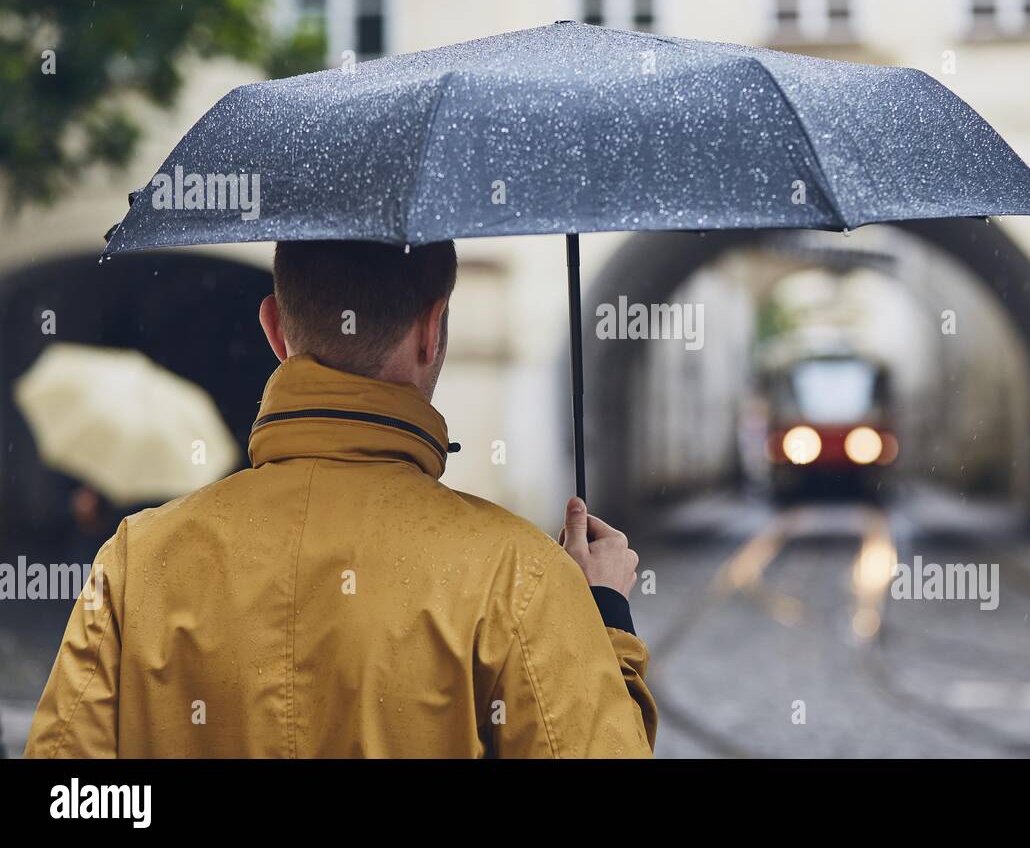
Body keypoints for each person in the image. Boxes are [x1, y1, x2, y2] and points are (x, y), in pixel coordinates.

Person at [25, 240, 655, 757]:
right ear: (432, 332)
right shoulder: (519, 573)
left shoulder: (136, 563)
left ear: (274, 328)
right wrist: (602, 622)